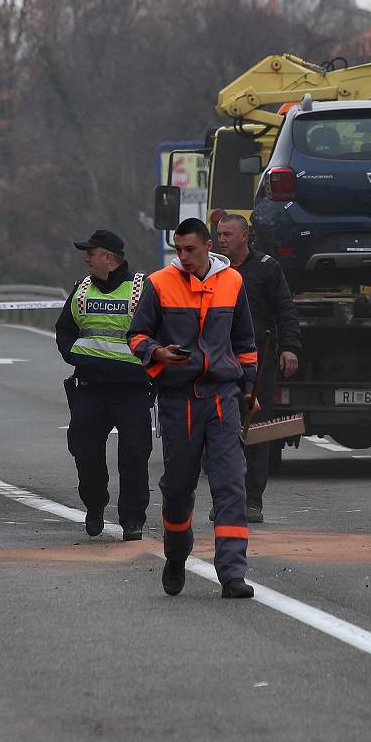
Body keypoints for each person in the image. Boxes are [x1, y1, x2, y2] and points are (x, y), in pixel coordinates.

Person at [128, 217, 259, 601]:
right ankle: (176, 553)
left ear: (207, 248)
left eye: (190, 250)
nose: (183, 257)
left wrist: (248, 389)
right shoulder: (158, 284)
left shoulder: (232, 282)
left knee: (231, 484)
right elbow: (136, 335)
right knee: (179, 487)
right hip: (179, 399)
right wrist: (158, 353)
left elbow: (245, 342)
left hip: (222, 398)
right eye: (178, 249)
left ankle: (233, 573)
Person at [54, 228, 152, 539]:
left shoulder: (141, 289)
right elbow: (64, 331)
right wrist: (77, 357)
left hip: (132, 390)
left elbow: (159, 333)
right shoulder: (81, 290)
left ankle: (133, 519)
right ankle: (95, 506)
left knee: (134, 457)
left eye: (91, 253)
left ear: (109, 258)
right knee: (84, 453)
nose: (86, 258)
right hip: (90, 389)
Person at [214, 214, 301, 524]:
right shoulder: (213, 270)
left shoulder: (266, 268)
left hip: (258, 362)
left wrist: (290, 347)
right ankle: (223, 498)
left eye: (227, 234)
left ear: (244, 236)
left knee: (256, 431)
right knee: (221, 434)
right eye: (219, 234)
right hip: (219, 362)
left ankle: (253, 501)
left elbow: (285, 310)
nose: (221, 239)